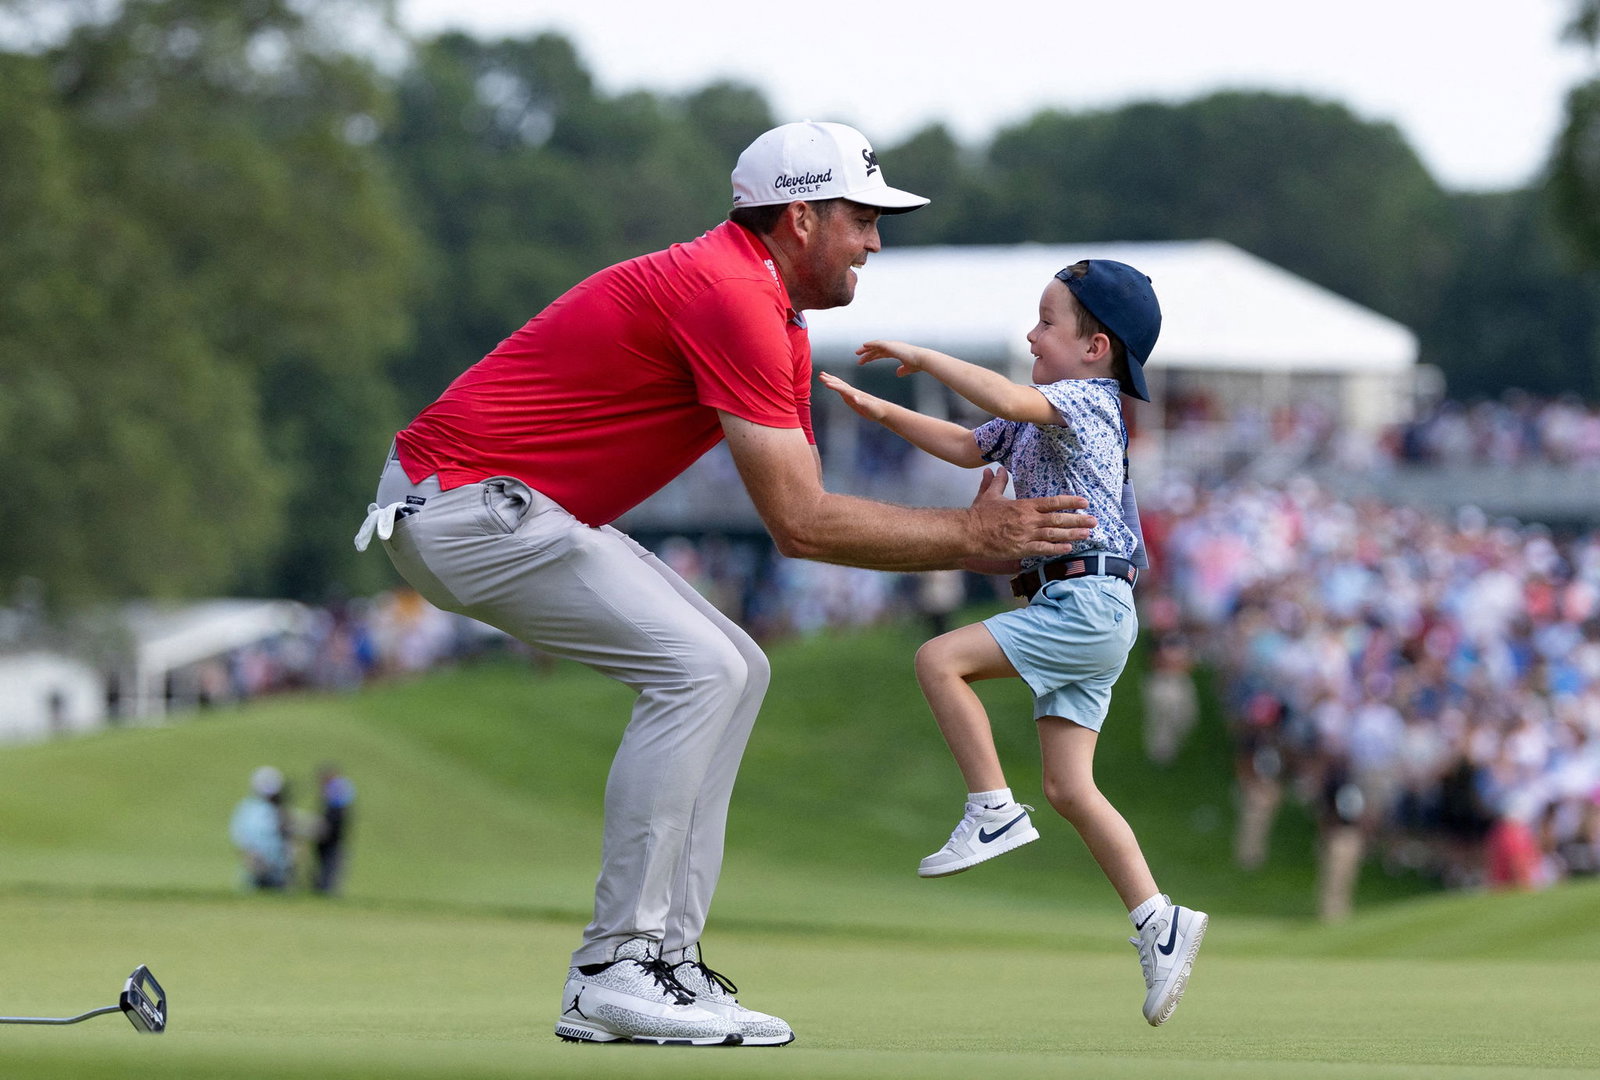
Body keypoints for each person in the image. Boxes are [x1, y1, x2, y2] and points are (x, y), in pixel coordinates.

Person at [352, 120, 1097, 1047]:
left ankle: (665, 962)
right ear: (799, 217)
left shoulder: (772, 318)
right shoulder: (732, 295)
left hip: (502, 508)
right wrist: (971, 536)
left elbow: (811, 510)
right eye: (861, 218)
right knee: (699, 671)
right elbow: (799, 523)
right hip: (461, 507)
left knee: (738, 666)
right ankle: (613, 966)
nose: (874, 240)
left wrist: (972, 538)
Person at [819, 259, 1208, 1026]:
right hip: (1085, 603)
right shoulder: (1036, 417)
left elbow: (999, 396)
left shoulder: (1088, 402)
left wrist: (928, 356)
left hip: (1086, 600)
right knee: (1069, 788)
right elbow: (970, 444)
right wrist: (884, 411)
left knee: (938, 658)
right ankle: (1158, 922)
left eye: (1047, 322)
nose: (1031, 333)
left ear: (1095, 348)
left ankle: (992, 808)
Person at [230, 765, 292, 891]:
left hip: (278, 866)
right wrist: (250, 856)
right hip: (256, 864)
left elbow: (289, 831)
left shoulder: (279, 809)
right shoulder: (248, 808)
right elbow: (240, 836)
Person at [311, 763, 355, 895]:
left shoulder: (337, 791)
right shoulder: (336, 792)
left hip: (333, 844)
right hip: (328, 843)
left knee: (328, 881)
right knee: (323, 879)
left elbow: (333, 822)